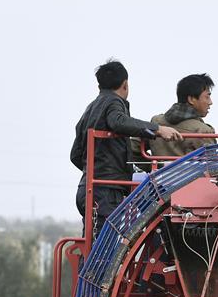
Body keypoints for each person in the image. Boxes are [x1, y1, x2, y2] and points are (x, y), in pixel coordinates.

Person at [70, 59, 181, 224]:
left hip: (86, 189)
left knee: (94, 244)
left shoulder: (90, 109)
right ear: (125, 84)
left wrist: (94, 172)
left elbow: (75, 154)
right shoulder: (114, 102)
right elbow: (118, 121)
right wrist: (158, 129)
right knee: (108, 245)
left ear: (99, 86)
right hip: (106, 191)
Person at [150, 74, 217, 157]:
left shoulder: (156, 122)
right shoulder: (203, 131)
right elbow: (211, 165)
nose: (210, 102)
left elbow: (134, 148)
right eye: (207, 97)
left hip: (159, 169)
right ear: (191, 99)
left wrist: (153, 167)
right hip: (191, 170)